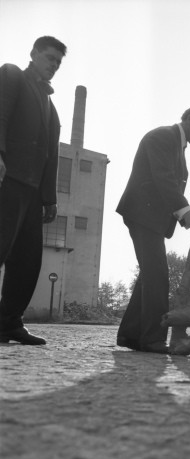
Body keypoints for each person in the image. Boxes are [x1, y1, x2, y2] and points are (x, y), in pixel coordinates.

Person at [116, 104, 190, 354]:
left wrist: (189, 217)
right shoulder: (163, 137)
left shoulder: (176, 145)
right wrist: (187, 213)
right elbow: (163, 179)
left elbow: (167, 183)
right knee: (158, 275)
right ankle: (152, 338)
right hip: (143, 214)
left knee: (149, 275)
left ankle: (131, 335)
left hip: (150, 217)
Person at [0, 36, 67, 345]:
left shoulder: (51, 105)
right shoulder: (12, 74)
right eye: (49, 57)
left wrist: (49, 197)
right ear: (34, 53)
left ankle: (8, 322)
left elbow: (50, 154)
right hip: (7, 178)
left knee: (28, 260)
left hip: (32, 191)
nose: (53, 64)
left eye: (58, 61)